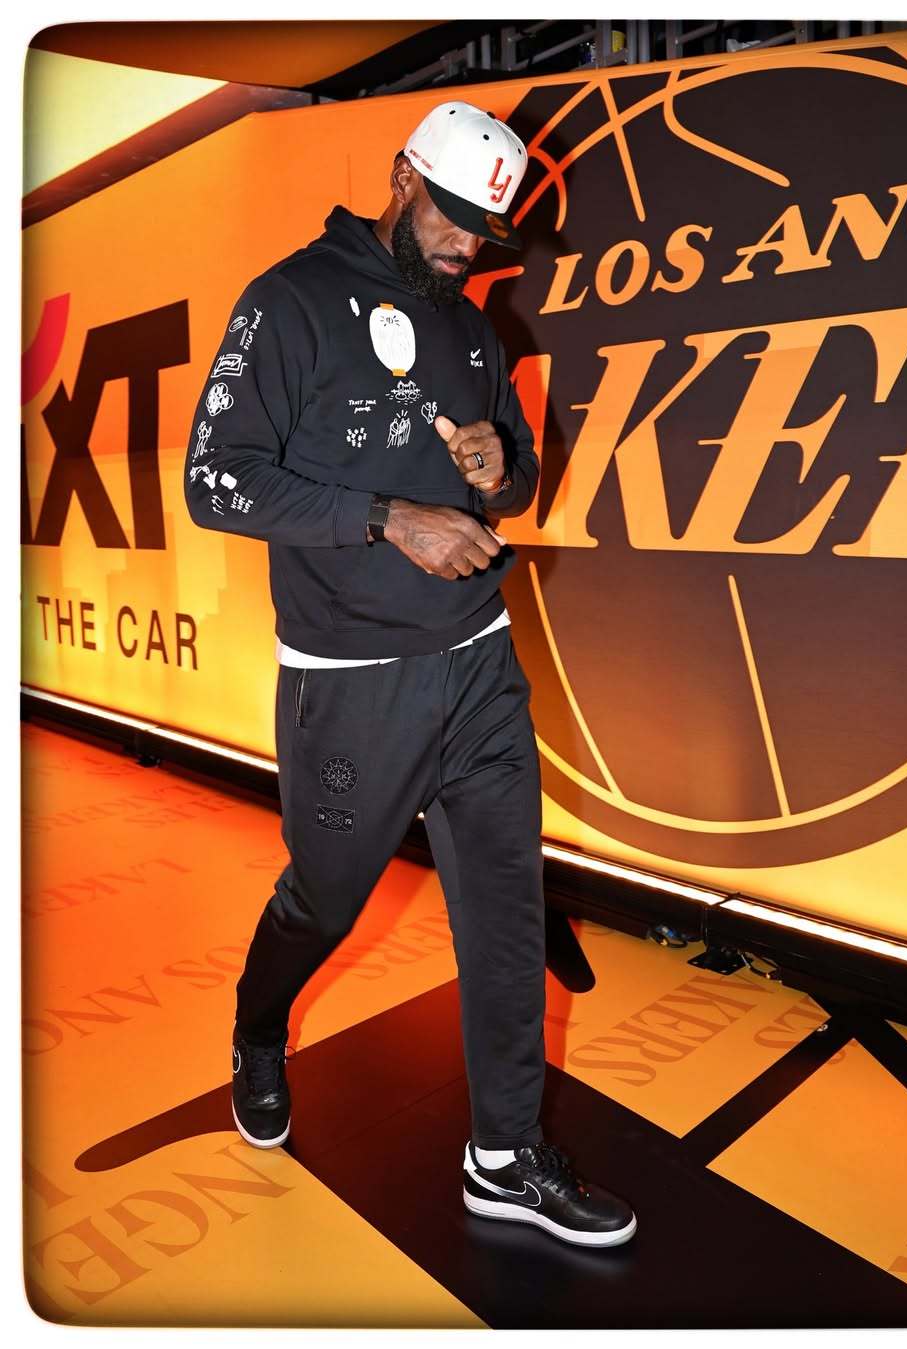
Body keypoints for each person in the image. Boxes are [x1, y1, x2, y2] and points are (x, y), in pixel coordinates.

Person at [183, 100, 636, 1248]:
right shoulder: (288, 301)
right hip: (351, 680)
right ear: (401, 176)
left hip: (478, 664)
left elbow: (511, 478)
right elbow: (213, 480)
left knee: (506, 907)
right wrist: (389, 516)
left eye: (487, 231)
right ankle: (257, 1028)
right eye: (451, 217)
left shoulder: (476, 330)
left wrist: (501, 466)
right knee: (324, 898)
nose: (466, 245)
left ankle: (504, 1157)